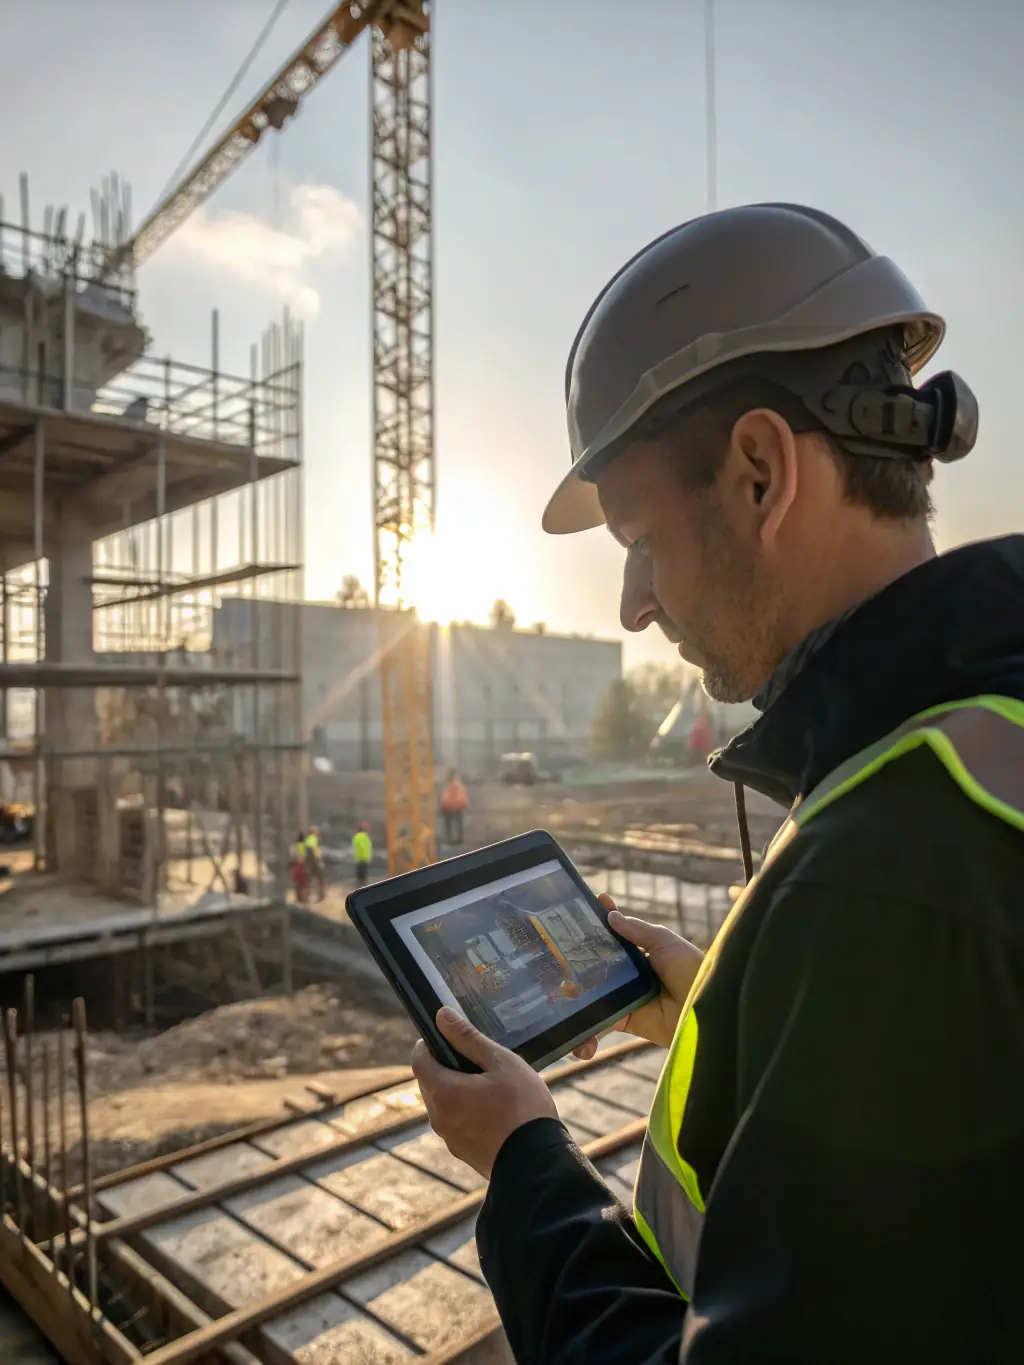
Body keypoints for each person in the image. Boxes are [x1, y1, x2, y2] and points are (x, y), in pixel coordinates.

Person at [410, 203, 1024, 1363]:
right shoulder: (969, 744)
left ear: (758, 472)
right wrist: (739, 1010)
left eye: (640, 538)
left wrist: (524, 1165)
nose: (633, 606)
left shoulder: (890, 868)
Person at [439, 769, 469, 844]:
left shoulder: (447, 787)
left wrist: (444, 807)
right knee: (458, 824)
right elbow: (463, 797)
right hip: (456, 807)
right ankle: (458, 838)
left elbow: (444, 798)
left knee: (449, 824)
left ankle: (451, 838)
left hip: (450, 808)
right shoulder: (459, 787)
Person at [303, 825, 326, 902]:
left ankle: (309, 896)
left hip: (312, 862)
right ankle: (319, 896)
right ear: (314, 832)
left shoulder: (309, 839)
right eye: (316, 831)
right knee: (319, 879)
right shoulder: (312, 839)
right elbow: (311, 850)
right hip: (315, 862)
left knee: (310, 880)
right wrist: (316, 861)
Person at [289, 830, 308, 905]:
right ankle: (302, 898)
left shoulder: (294, 847)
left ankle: (299, 897)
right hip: (301, 866)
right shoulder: (303, 846)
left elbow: (293, 856)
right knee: (303, 883)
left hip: (297, 866)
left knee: (298, 883)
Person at [352, 821, 372, 886]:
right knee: (362, 878)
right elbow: (364, 847)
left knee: (361, 877)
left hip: (361, 859)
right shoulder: (363, 836)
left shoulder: (358, 836)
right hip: (363, 859)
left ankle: (360, 888)